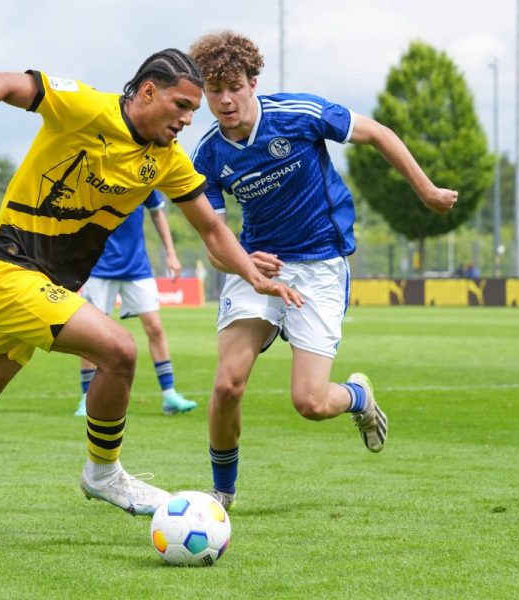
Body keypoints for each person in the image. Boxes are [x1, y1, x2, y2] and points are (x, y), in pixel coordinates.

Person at [0, 49, 303, 530]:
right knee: (119, 350)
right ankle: (104, 473)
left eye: (193, 110)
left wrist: (252, 275)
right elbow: (0, 81)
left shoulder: (166, 160)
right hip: (5, 270)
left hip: (42, 285)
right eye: (181, 106)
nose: (189, 119)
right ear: (148, 92)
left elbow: (211, 229)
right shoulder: (85, 107)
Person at [189, 31, 458, 510]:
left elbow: (377, 133)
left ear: (253, 83)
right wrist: (243, 262)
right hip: (257, 268)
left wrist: (427, 191)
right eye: (214, 89)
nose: (225, 99)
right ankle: (221, 494)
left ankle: (357, 396)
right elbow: (214, 243)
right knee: (227, 385)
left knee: (311, 403)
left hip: (319, 265)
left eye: (234, 86)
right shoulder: (208, 154)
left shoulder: (298, 114)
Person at [74, 189, 197, 417]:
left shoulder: (144, 179)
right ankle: (86, 398)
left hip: (137, 268)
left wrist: (171, 253)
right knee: (91, 334)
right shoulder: (97, 179)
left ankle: (169, 395)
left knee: (155, 328)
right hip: (100, 268)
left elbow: (158, 214)